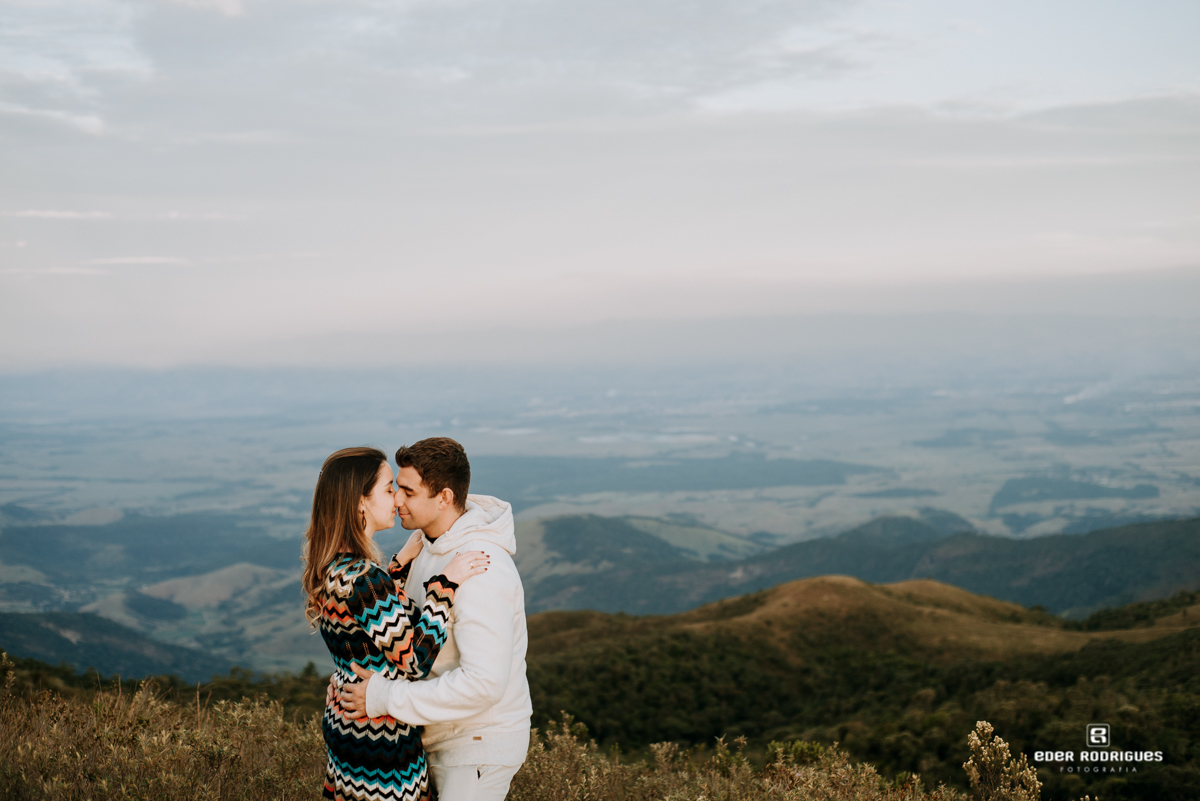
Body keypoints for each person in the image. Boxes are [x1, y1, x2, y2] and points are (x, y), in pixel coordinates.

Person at [336, 437, 532, 801]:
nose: (396, 500)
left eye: (408, 492)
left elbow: (483, 684)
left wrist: (383, 696)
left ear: (442, 498)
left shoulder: (480, 568)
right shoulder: (428, 547)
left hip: (477, 745)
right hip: (438, 736)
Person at [304, 446, 489, 801]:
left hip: (348, 726)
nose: (397, 499)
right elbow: (414, 661)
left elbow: (365, 628)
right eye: (389, 489)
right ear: (361, 502)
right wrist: (444, 587)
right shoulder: (364, 578)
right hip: (381, 739)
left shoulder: (334, 567)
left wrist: (398, 566)